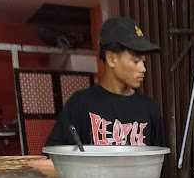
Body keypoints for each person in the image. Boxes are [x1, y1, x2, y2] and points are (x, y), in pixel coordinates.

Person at [47, 16, 165, 148]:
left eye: (143, 62)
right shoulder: (80, 104)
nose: (143, 69)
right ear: (111, 59)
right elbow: (55, 156)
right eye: (136, 61)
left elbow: (159, 162)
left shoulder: (149, 109)